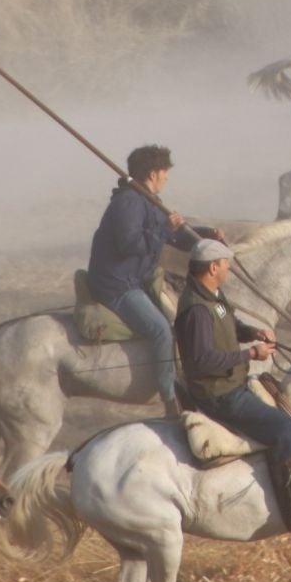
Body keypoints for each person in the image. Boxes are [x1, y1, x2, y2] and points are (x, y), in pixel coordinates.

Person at [173, 238, 291, 530]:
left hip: (232, 382)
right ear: (213, 268)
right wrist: (250, 354)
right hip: (220, 394)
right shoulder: (198, 310)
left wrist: (253, 332)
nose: (228, 269)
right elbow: (202, 361)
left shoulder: (212, 297)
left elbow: (229, 324)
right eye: (225, 264)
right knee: (285, 427)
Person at [87, 146, 217, 418]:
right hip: (117, 285)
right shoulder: (128, 203)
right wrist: (165, 228)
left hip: (138, 277)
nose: (167, 177)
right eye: (165, 172)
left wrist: (207, 236)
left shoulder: (149, 200)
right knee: (161, 331)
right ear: (153, 173)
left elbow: (172, 237)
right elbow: (130, 244)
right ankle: (170, 399)